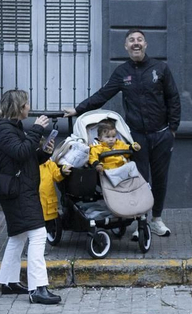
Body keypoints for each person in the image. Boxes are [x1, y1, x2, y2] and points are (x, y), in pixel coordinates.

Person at [66, 29, 180, 237]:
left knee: (160, 179)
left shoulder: (160, 68)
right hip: (136, 137)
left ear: (145, 44)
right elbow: (102, 95)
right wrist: (78, 109)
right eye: (131, 40)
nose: (136, 43)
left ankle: (156, 219)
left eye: (139, 40)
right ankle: (140, 222)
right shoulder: (122, 72)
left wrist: (173, 128)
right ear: (126, 46)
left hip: (162, 134)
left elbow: (173, 98)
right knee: (138, 179)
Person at [0, 89, 62, 305]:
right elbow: (20, 152)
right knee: (38, 235)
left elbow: (25, 158)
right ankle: (38, 288)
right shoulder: (3, 130)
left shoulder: (12, 128)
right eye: (26, 103)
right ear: (19, 107)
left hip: (21, 188)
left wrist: (44, 152)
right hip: (18, 191)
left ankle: (8, 281)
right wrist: (36, 129)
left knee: (18, 235)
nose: (29, 106)